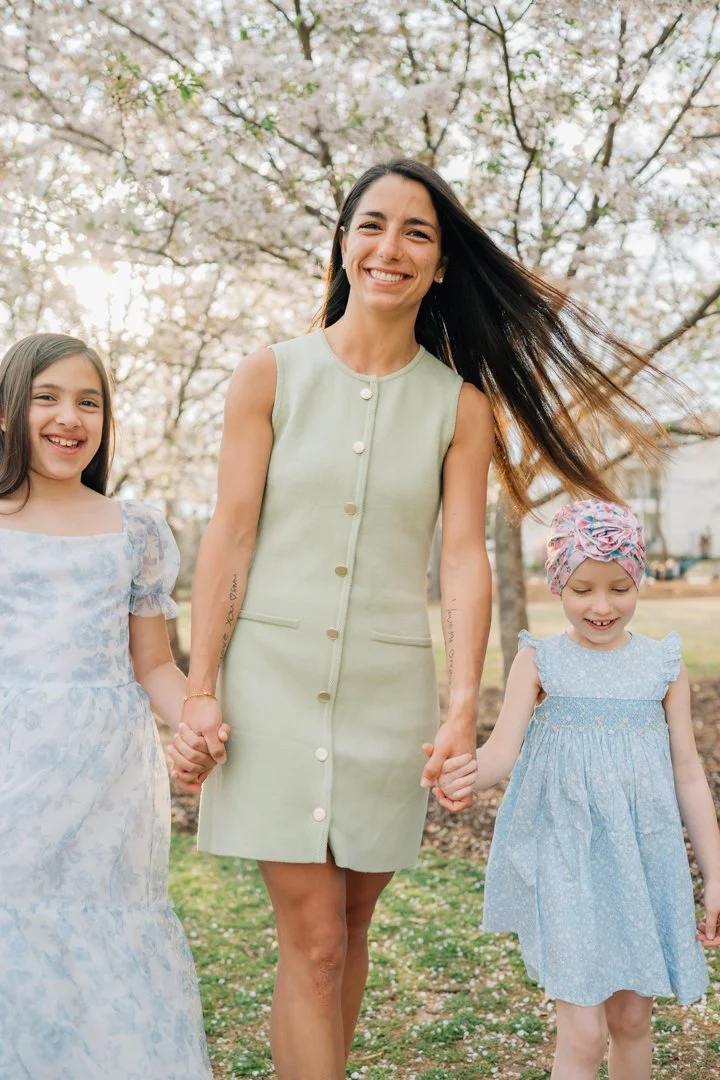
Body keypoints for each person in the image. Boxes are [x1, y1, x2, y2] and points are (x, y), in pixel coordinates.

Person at [174, 158, 672, 1080]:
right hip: (270, 689)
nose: (390, 247)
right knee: (315, 939)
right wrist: (201, 687)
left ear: (441, 266)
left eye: (417, 233)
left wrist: (458, 707)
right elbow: (229, 536)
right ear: (342, 242)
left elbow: (462, 559)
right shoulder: (268, 375)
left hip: (389, 697)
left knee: (351, 927)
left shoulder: (461, 406)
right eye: (372, 225)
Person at [0, 333, 226, 1078]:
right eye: (47, 398)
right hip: (11, 766)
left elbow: (153, 663)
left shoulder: (133, 529)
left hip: (105, 778)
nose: (70, 417)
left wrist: (194, 717)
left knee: (101, 928)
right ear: (8, 410)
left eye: (88, 402)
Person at [434, 499, 720, 1080]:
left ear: (638, 579)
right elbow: (501, 753)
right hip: (567, 860)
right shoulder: (540, 661)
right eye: (583, 589)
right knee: (585, 1033)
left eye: (620, 588)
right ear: (558, 582)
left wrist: (715, 874)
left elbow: (688, 772)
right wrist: (460, 770)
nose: (602, 606)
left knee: (633, 1019)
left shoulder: (662, 666)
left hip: (643, 860)